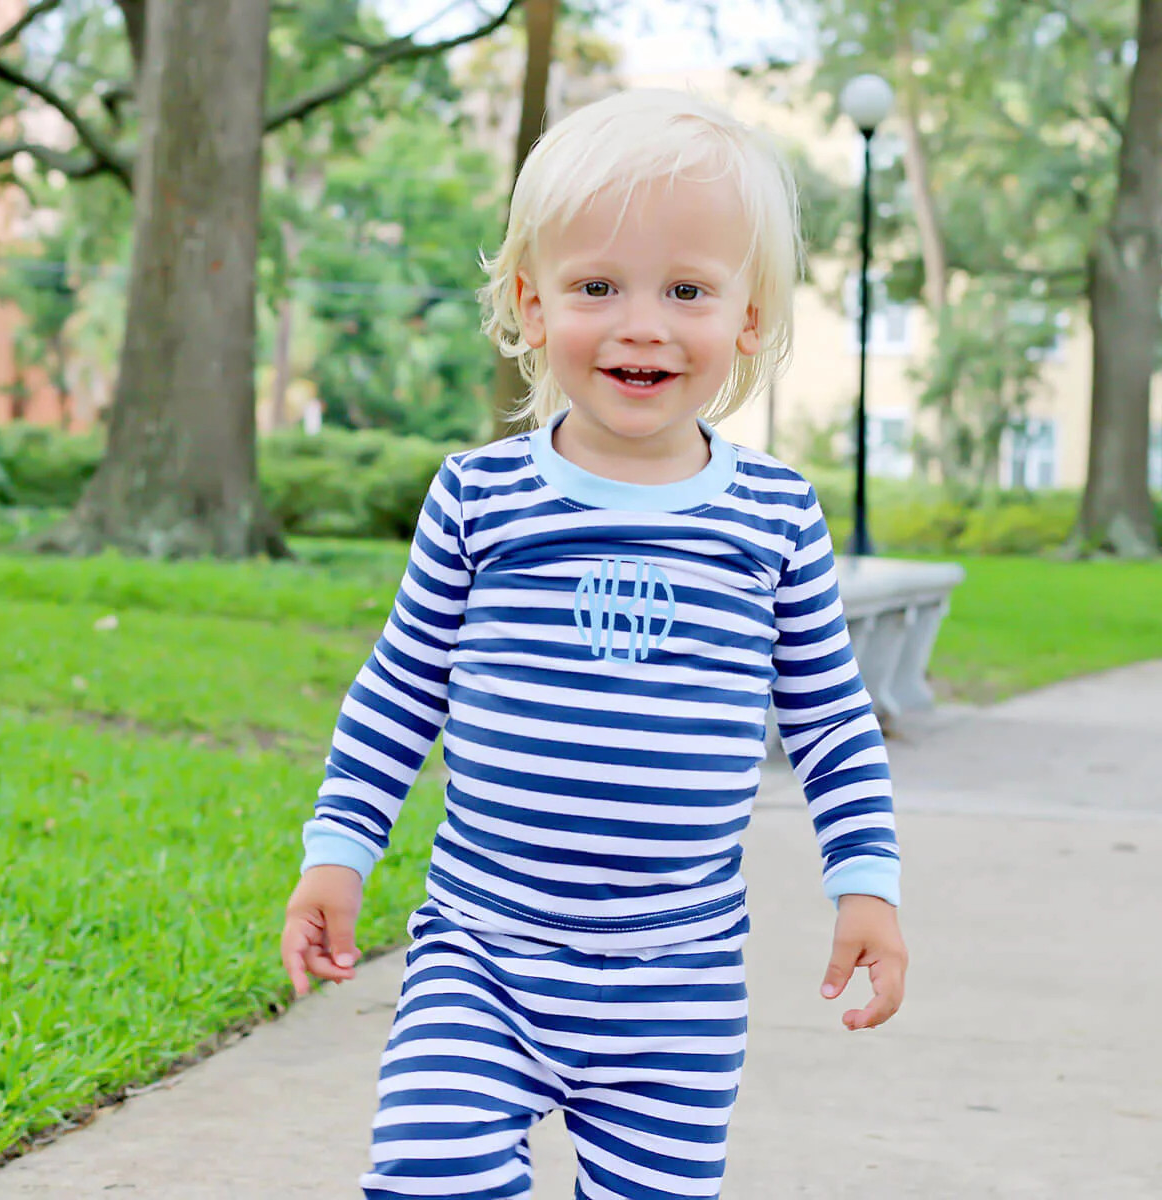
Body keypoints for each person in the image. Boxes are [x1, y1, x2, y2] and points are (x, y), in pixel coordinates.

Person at [281, 87, 908, 1200]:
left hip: (680, 985)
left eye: (687, 290)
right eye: (597, 286)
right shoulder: (481, 498)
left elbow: (831, 726)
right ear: (531, 303)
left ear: (748, 318)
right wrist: (338, 850)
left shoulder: (772, 518)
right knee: (427, 1176)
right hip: (483, 956)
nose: (642, 323)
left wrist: (866, 885)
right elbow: (400, 689)